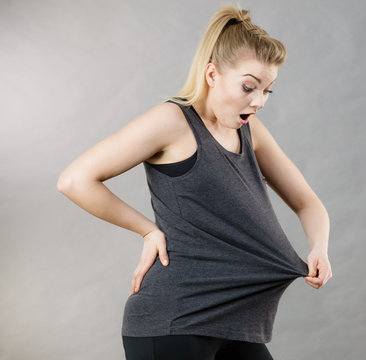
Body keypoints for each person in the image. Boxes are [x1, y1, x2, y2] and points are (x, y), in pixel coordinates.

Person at [57, 4, 332, 360]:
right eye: (249, 87)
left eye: (268, 90)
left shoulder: (252, 132)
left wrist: (319, 248)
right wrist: (148, 231)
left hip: (238, 323)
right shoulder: (172, 121)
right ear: (212, 74)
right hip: (174, 320)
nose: (259, 101)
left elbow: (307, 202)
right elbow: (75, 180)